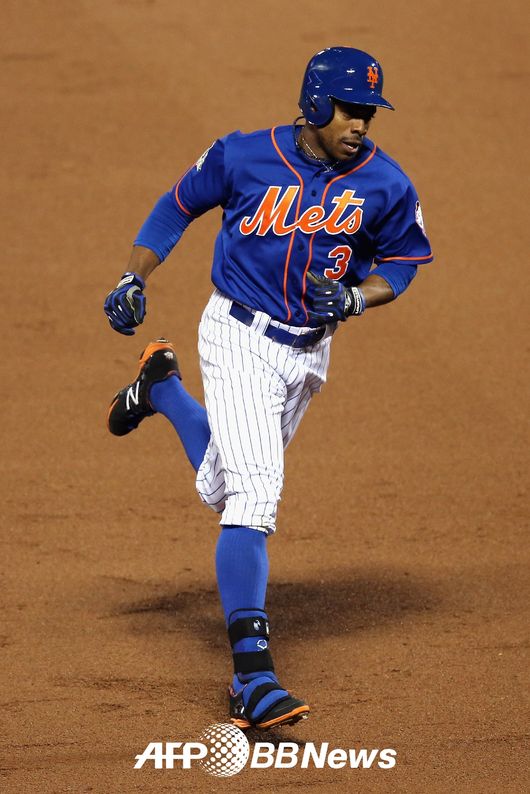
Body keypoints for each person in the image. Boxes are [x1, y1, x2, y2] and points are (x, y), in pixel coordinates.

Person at [104, 46, 434, 731]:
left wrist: (358, 298)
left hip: (308, 355)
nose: (360, 125)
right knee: (254, 498)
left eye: (369, 114)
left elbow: (403, 260)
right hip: (237, 336)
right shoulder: (243, 155)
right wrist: (135, 275)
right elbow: (175, 206)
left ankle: (161, 388)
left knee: (222, 488)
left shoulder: (386, 183)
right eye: (348, 110)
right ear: (314, 103)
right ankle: (251, 677)